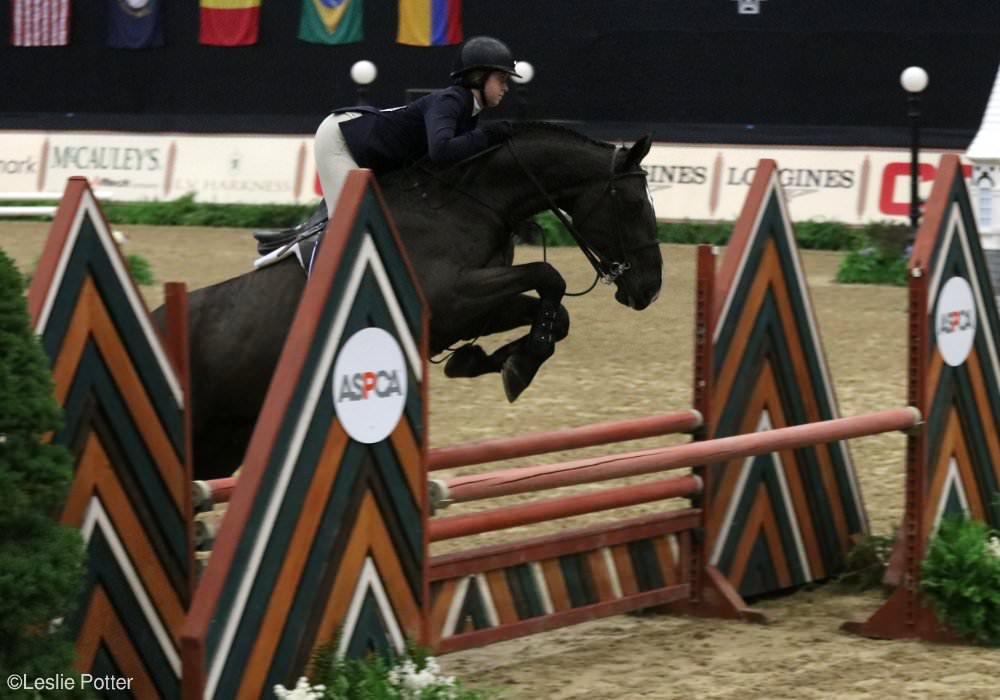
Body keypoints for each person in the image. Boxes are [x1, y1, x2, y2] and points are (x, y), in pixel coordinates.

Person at [314, 35, 520, 217]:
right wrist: (488, 135)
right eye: (501, 78)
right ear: (478, 77)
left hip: (368, 148)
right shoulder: (451, 100)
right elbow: (441, 150)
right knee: (348, 224)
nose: (506, 87)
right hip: (341, 138)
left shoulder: (468, 110)